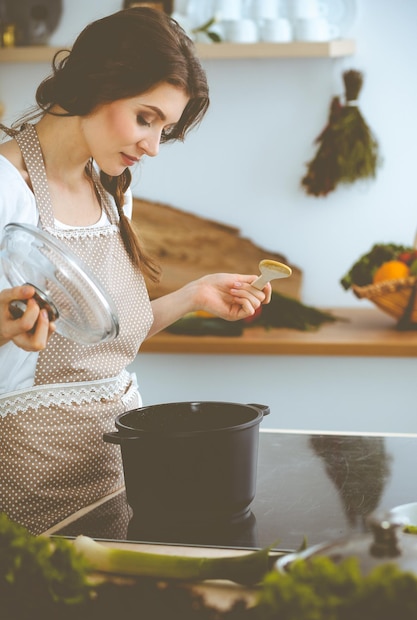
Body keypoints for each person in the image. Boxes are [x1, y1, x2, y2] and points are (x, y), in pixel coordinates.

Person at [0, 7, 271, 535]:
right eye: (145, 118)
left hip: (119, 460)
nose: (151, 146)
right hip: (31, 466)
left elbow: (101, 338)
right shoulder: (5, 187)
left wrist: (192, 296)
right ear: (95, 83)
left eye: (163, 128)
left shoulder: (112, 190)